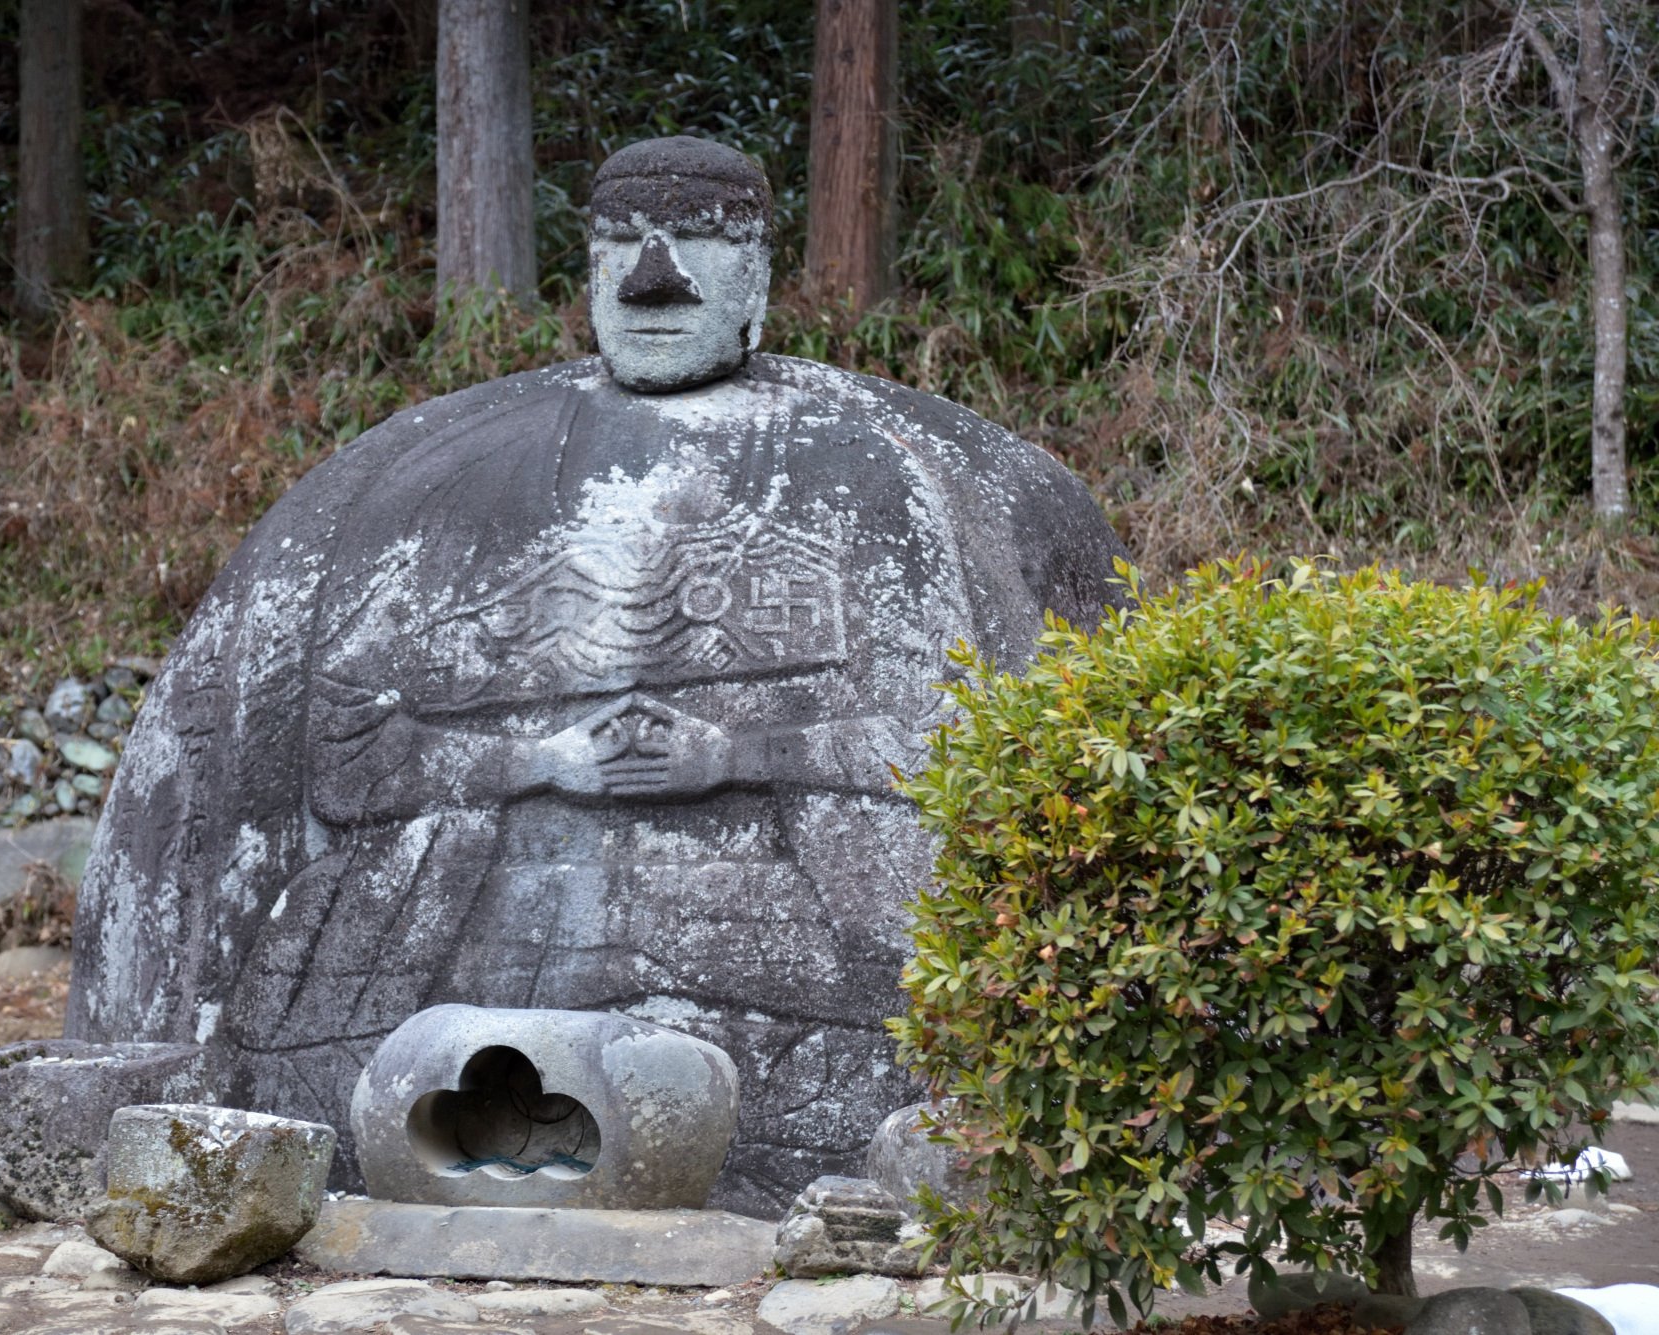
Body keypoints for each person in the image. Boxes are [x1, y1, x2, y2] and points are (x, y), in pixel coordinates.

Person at [70, 136, 1126, 1216]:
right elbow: (342, 751)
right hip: (501, 962)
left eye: (699, 241)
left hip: (778, 959)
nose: (653, 278)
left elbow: (962, 740)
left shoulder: (889, 476)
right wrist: (542, 760)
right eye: (622, 242)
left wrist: (735, 755)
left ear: (759, 273)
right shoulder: (445, 481)